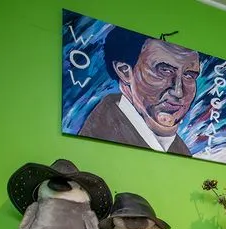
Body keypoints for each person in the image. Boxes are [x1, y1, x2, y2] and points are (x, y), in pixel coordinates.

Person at [78, 26, 200, 156]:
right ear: (125, 72)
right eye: (164, 70)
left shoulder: (179, 149)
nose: (178, 92)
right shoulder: (99, 136)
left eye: (189, 75)